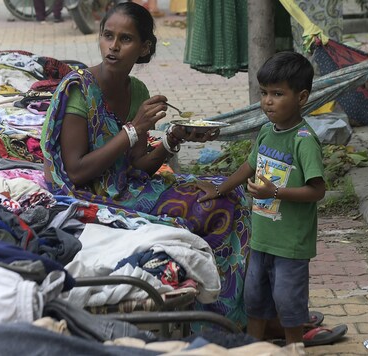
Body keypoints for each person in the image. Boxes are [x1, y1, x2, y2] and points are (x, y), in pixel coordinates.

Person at [41, 2, 251, 328]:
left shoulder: (137, 90)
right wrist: (133, 129)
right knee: (213, 208)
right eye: (107, 36)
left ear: (145, 47)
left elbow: (137, 165)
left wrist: (171, 141)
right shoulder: (79, 89)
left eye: (125, 39)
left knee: (230, 191)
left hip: (127, 187)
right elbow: (76, 170)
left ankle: (233, 309)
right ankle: (212, 319)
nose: (113, 46)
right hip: (87, 195)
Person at [197, 51, 326, 345]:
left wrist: (275, 192)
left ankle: (295, 348)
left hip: (291, 245)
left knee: (288, 304)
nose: (267, 101)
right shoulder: (267, 132)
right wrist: (220, 188)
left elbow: (317, 190)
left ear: (301, 97)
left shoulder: (303, 140)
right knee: (255, 299)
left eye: (278, 93)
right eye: (264, 93)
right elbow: (249, 166)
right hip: (261, 239)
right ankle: (251, 349)